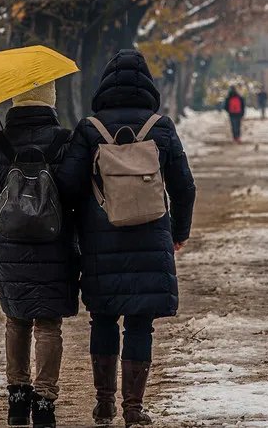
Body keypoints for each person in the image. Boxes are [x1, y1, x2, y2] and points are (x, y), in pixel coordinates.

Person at [57, 50, 196, 427]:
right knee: (140, 324)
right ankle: (133, 409)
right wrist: (177, 232)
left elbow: (67, 187)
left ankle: (104, 404)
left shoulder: (90, 129)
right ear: (148, 85)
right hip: (151, 237)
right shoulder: (161, 126)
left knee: (102, 320)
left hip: (100, 242)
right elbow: (184, 186)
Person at [0, 81, 77, 428]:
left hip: (8, 246)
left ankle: (17, 402)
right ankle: (45, 402)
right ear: (51, 100)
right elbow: (76, 193)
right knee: (48, 324)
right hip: (55, 244)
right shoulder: (65, 141)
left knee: (16, 320)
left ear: (15, 99)